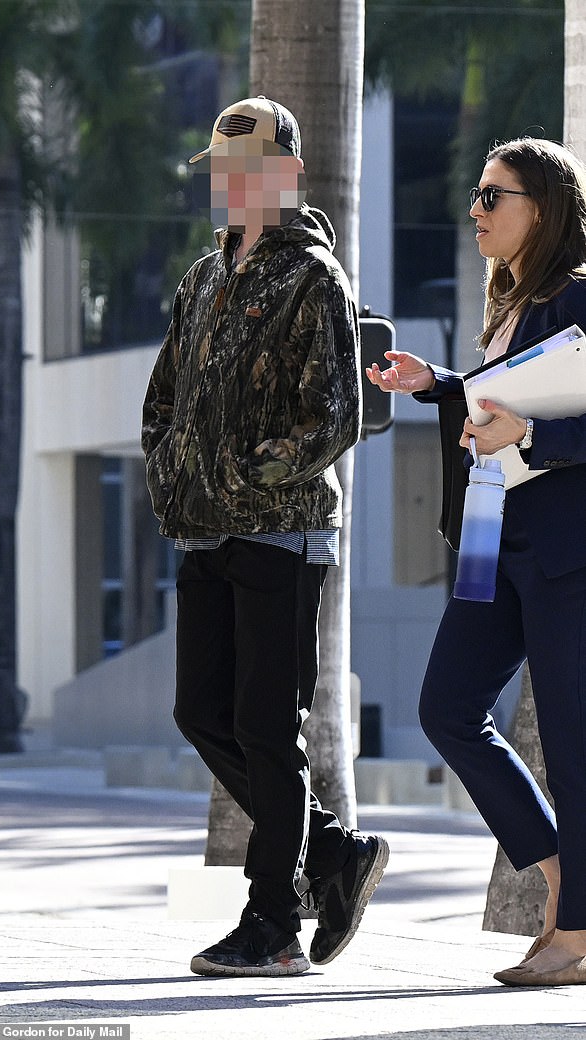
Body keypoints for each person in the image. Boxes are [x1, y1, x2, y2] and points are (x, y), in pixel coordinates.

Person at [142, 96, 388, 979]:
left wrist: (245, 476)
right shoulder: (204, 277)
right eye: (222, 171)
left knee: (263, 725)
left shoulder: (313, 276)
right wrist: (173, 472)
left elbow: (335, 415)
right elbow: (164, 397)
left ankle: (274, 922)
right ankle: (332, 855)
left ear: (285, 172)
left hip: (281, 535)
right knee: (201, 713)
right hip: (205, 532)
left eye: (249, 169)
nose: (233, 186)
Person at [367, 136, 586, 988]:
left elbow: (546, 417)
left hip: (565, 551)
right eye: (477, 195)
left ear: (544, 207)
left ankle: (574, 934)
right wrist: (441, 384)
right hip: (495, 538)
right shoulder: (511, 300)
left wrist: (529, 431)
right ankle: (563, 877)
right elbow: (511, 398)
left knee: (572, 744)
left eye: (494, 197)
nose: (476, 212)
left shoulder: (575, 299)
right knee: (448, 707)